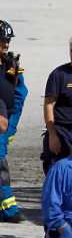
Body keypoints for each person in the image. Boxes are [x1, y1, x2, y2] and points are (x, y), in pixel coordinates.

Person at [42, 36, 72, 174]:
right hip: (61, 132)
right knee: (57, 175)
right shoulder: (59, 74)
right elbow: (48, 105)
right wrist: (52, 135)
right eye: (71, 51)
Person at [0, 20, 28, 222]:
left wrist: (11, 126)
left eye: (7, 41)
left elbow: (20, 94)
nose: (6, 45)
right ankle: (9, 209)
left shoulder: (11, 65)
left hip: (5, 123)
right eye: (2, 41)